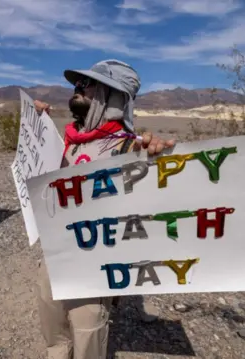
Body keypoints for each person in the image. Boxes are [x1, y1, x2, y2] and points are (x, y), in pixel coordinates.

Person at [33, 59, 176, 359]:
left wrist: (159, 156)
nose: (78, 88)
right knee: (53, 329)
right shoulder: (71, 141)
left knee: (87, 336)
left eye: (87, 85)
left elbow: (158, 194)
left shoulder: (129, 149)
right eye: (78, 83)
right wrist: (36, 127)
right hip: (54, 252)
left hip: (92, 264)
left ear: (112, 98)